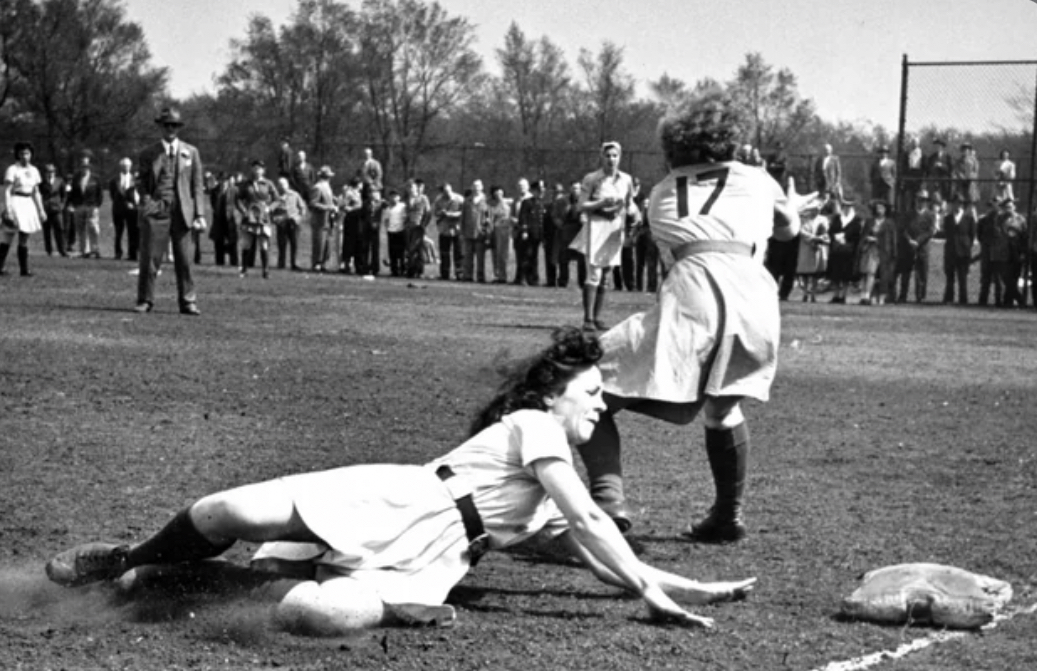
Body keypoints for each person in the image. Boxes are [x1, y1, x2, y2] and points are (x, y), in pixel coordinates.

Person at [43, 328, 756, 634]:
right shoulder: (535, 426)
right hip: (397, 495)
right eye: (592, 392)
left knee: (330, 615)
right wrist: (648, 593)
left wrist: (688, 586)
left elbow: (592, 550)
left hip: (432, 558)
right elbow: (596, 523)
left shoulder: (529, 508)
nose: (600, 404)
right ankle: (128, 560)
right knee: (229, 510)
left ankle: (182, 586)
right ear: (552, 393)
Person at [576, 92, 801, 543]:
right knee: (723, 407)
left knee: (582, 386)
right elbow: (789, 230)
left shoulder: (661, 193)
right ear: (731, 139)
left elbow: (678, 257)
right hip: (756, 298)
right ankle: (727, 515)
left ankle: (608, 503)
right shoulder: (758, 179)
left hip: (695, 290)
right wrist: (788, 207)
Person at [134, 107, 207, 315]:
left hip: (183, 211)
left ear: (179, 128)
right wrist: (147, 201)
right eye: (167, 125)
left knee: (184, 260)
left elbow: (197, 185)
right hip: (157, 210)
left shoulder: (191, 152)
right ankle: (145, 300)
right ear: (160, 127)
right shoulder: (149, 153)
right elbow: (141, 182)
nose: (170, 129)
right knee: (150, 259)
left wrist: (199, 214)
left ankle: (188, 301)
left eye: (174, 125)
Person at [573, 142, 636, 331]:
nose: (611, 159)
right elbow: (581, 205)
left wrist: (634, 214)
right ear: (602, 157)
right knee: (594, 274)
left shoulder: (626, 179)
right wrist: (600, 203)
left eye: (615, 155)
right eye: (608, 155)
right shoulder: (592, 179)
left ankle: (597, 317)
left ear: (620, 157)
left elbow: (629, 203)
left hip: (615, 228)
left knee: (606, 275)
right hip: (597, 227)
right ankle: (588, 318)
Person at [0, 141, 46, 278]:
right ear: (17, 155)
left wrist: (41, 210)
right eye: (21, 153)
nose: (24, 156)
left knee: (24, 237)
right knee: (8, 236)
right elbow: (7, 190)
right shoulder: (13, 169)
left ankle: (24, 270)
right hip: (16, 201)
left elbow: (36, 191)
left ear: (31, 154)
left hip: (28, 203)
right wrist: (8, 209)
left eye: (27, 153)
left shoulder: (34, 171)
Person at [236, 159, 280, 279]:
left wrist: (269, 209)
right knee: (246, 244)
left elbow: (277, 199)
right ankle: (244, 270)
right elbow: (238, 199)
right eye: (255, 168)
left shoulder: (268, 184)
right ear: (251, 169)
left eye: (259, 168)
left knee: (264, 244)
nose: (257, 171)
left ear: (263, 170)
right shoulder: (246, 184)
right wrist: (244, 211)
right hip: (249, 216)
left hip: (263, 217)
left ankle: (265, 271)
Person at [894, 188, 936, 303]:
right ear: (916, 200)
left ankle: (920, 297)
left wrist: (918, 241)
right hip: (908, 247)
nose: (922, 202)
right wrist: (909, 240)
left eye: (924, 200)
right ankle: (903, 296)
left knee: (921, 273)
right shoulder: (909, 214)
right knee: (905, 273)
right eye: (920, 199)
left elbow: (930, 231)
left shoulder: (930, 215)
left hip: (922, 248)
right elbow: (903, 229)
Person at [857, 199, 896, 306]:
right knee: (867, 273)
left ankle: (878, 297)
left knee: (881, 276)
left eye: (882, 208)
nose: (879, 210)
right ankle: (865, 296)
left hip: (883, 252)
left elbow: (892, 240)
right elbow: (863, 236)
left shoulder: (889, 223)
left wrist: (893, 253)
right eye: (878, 208)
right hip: (869, 250)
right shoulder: (870, 221)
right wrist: (867, 239)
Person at [826, 193, 862, 304]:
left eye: (849, 206)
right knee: (835, 274)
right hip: (836, 249)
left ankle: (843, 296)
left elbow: (857, 233)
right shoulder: (837, 218)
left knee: (846, 275)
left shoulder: (856, 219)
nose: (847, 208)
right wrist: (836, 237)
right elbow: (831, 230)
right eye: (845, 206)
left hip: (849, 249)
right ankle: (836, 295)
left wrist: (845, 236)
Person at [941, 193, 976, 306]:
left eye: (960, 203)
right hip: (951, 250)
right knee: (950, 277)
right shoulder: (947, 218)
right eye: (955, 203)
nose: (957, 205)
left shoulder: (969, 218)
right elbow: (946, 233)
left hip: (963, 251)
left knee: (962, 277)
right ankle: (949, 298)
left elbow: (972, 235)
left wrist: (966, 246)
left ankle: (963, 299)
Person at [68, 150, 103, 258]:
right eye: (82, 166)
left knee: (93, 228)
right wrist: (72, 204)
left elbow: (100, 193)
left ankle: (95, 249)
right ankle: (84, 250)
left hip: (92, 206)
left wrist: (97, 205)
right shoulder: (76, 178)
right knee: (81, 229)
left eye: (86, 166)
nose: (84, 168)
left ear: (89, 167)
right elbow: (72, 192)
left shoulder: (95, 178)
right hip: (79, 206)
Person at [795, 198, 829, 303]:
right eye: (814, 209)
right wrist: (813, 238)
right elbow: (801, 231)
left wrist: (821, 238)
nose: (816, 211)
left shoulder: (823, 219)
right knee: (805, 272)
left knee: (815, 273)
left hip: (817, 249)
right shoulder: (803, 219)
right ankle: (805, 293)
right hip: (806, 247)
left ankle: (813, 293)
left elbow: (825, 231)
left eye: (818, 209)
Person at [271, 175, 305, 271]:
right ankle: (281, 263)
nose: (282, 186)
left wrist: (299, 218)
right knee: (281, 244)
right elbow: (270, 210)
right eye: (280, 184)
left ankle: (294, 263)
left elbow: (302, 207)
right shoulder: (275, 197)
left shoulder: (294, 195)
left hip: (293, 222)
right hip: (281, 223)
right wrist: (274, 219)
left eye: (284, 184)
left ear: (288, 185)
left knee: (294, 243)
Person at [108, 157, 139, 262]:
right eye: (124, 166)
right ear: (120, 167)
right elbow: (112, 194)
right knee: (118, 232)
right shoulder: (114, 180)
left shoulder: (135, 179)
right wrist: (122, 204)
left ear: (130, 166)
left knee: (133, 232)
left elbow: (137, 194)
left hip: (132, 210)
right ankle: (118, 252)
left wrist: (133, 204)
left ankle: (132, 253)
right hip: (118, 210)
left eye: (128, 166)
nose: (126, 168)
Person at [459, 180, 489, 283]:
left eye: (478, 186)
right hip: (468, 232)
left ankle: (480, 277)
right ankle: (468, 276)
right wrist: (462, 231)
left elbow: (489, 218)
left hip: (480, 234)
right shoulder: (467, 201)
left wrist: (486, 231)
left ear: (482, 187)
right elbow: (463, 217)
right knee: (468, 256)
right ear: (472, 188)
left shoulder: (486, 201)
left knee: (480, 257)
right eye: (474, 186)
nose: (476, 188)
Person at [433, 182, 463, 280]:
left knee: (458, 252)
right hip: (444, 229)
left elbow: (464, 212)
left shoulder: (459, 199)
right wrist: (440, 213)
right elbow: (435, 213)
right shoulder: (438, 200)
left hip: (457, 229)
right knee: (444, 252)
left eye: (449, 190)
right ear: (442, 192)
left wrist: (452, 215)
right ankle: (445, 273)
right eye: (446, 192)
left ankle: (459, 274)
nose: (448, 193)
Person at [309, 165, 337, 273]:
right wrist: (328, 207)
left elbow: (329, 200)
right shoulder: (318, 187)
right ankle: (316, 263)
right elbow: (313, 203)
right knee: (319, 243)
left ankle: (323, 263)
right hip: (319, 220)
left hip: (328, 219)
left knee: (327, 244)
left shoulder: (328, 187)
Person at [404, 178, 431, 279]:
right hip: (408, 227)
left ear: (416, 187)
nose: (410, 189)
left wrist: (423, 225)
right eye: (409, 187)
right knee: (410, 249)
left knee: (416, 249)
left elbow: (428, 213)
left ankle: (418, 270)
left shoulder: (423, 198)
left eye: (412, 187)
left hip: (418, 226)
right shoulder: (407, 199)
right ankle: (412, 269)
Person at [38, 163, 67, 257]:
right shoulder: (41, 182)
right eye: (48, 171)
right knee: (47, 230)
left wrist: (62, 205)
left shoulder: (60, 181)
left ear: (55, 171)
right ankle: (48, 250)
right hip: (45, 209)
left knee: (59, 229)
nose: (50, 173)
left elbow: (64, 195)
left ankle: (62, 250)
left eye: (52, 171)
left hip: (56, 209)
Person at [338, 177, 364, 275]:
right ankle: (346, 265)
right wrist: (353, 208)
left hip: (357, 220)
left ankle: (357, 266)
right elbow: (343, 205)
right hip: (350, 219)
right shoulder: (349, 193)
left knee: (358, 242)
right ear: (357, 184)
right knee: (349, 242)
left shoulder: (358, 194)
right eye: (360, 184)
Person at [488, 185, 512, 284]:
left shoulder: (509, 203)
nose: (499, 195)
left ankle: (504, 275)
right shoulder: (491, 205)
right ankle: (497, 274)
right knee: (495, 254)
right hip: (494, 231)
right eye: (496, 193)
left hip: (505, 231)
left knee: (504, 254)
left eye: (500, 193)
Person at [357, 189, 383, 275]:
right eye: (372, 195)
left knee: (375, 249)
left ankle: (375, 268)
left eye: (375, 196)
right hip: (366, 228)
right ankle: (364, 267)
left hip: (376, 228)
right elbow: (362, 216)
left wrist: (378, 223)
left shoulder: (382, 204)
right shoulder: (365, 203)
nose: (373, 198)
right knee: (365, 248)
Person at [382, 188, 407, 276]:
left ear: (399, 197)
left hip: (401, 231)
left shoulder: (403, 206)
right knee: (392, 252)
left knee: (402, 252)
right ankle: (394, 270)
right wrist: (388, 228)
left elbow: (405, 218)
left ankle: (403, 269)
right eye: (391, 197)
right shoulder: (388, 209)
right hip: (391, 232)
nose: (393, 198)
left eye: (395, 196)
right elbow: (385, 220)